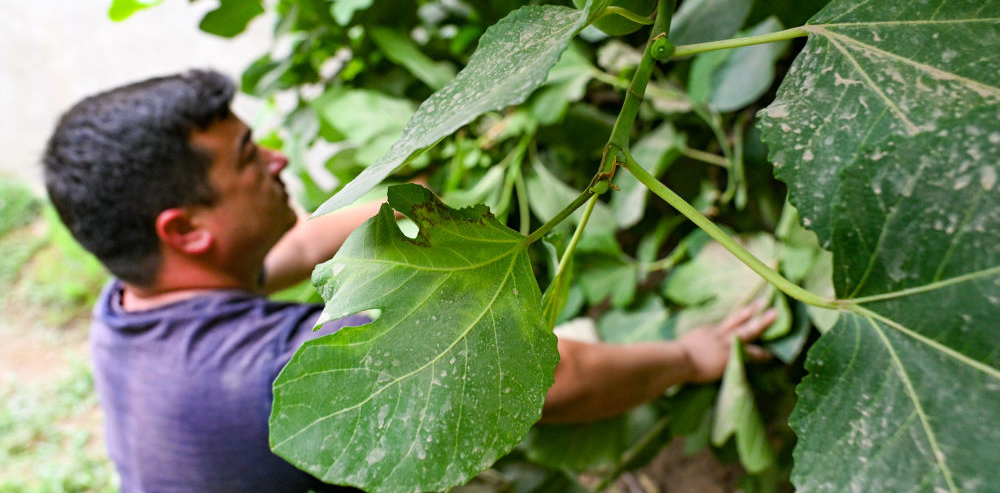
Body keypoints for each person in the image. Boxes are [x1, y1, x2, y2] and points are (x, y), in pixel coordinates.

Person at [43, 69, 775, 492]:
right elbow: (554, 380)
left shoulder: (134, 306)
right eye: (246, 157)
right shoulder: (271, 373)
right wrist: (689, 355)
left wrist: (418, 205)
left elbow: (289, 250)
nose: (277, 160)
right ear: (185, 229)